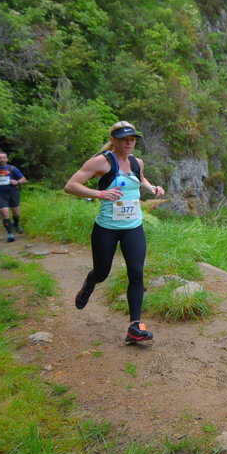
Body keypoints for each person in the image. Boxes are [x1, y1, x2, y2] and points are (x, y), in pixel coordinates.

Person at [64, 121, 165, 344]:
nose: (129, 143)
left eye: (132, 139)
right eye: (124, 139)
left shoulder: (137, 162)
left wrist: (151, 188)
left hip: (133, 227)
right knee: (101, 272)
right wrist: (99, 194)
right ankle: (88, 285)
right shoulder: (101, 161)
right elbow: (71, 186)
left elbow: (139, 179)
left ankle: (135, 327)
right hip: (107, 229)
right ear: (115, 140)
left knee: (137, 273)